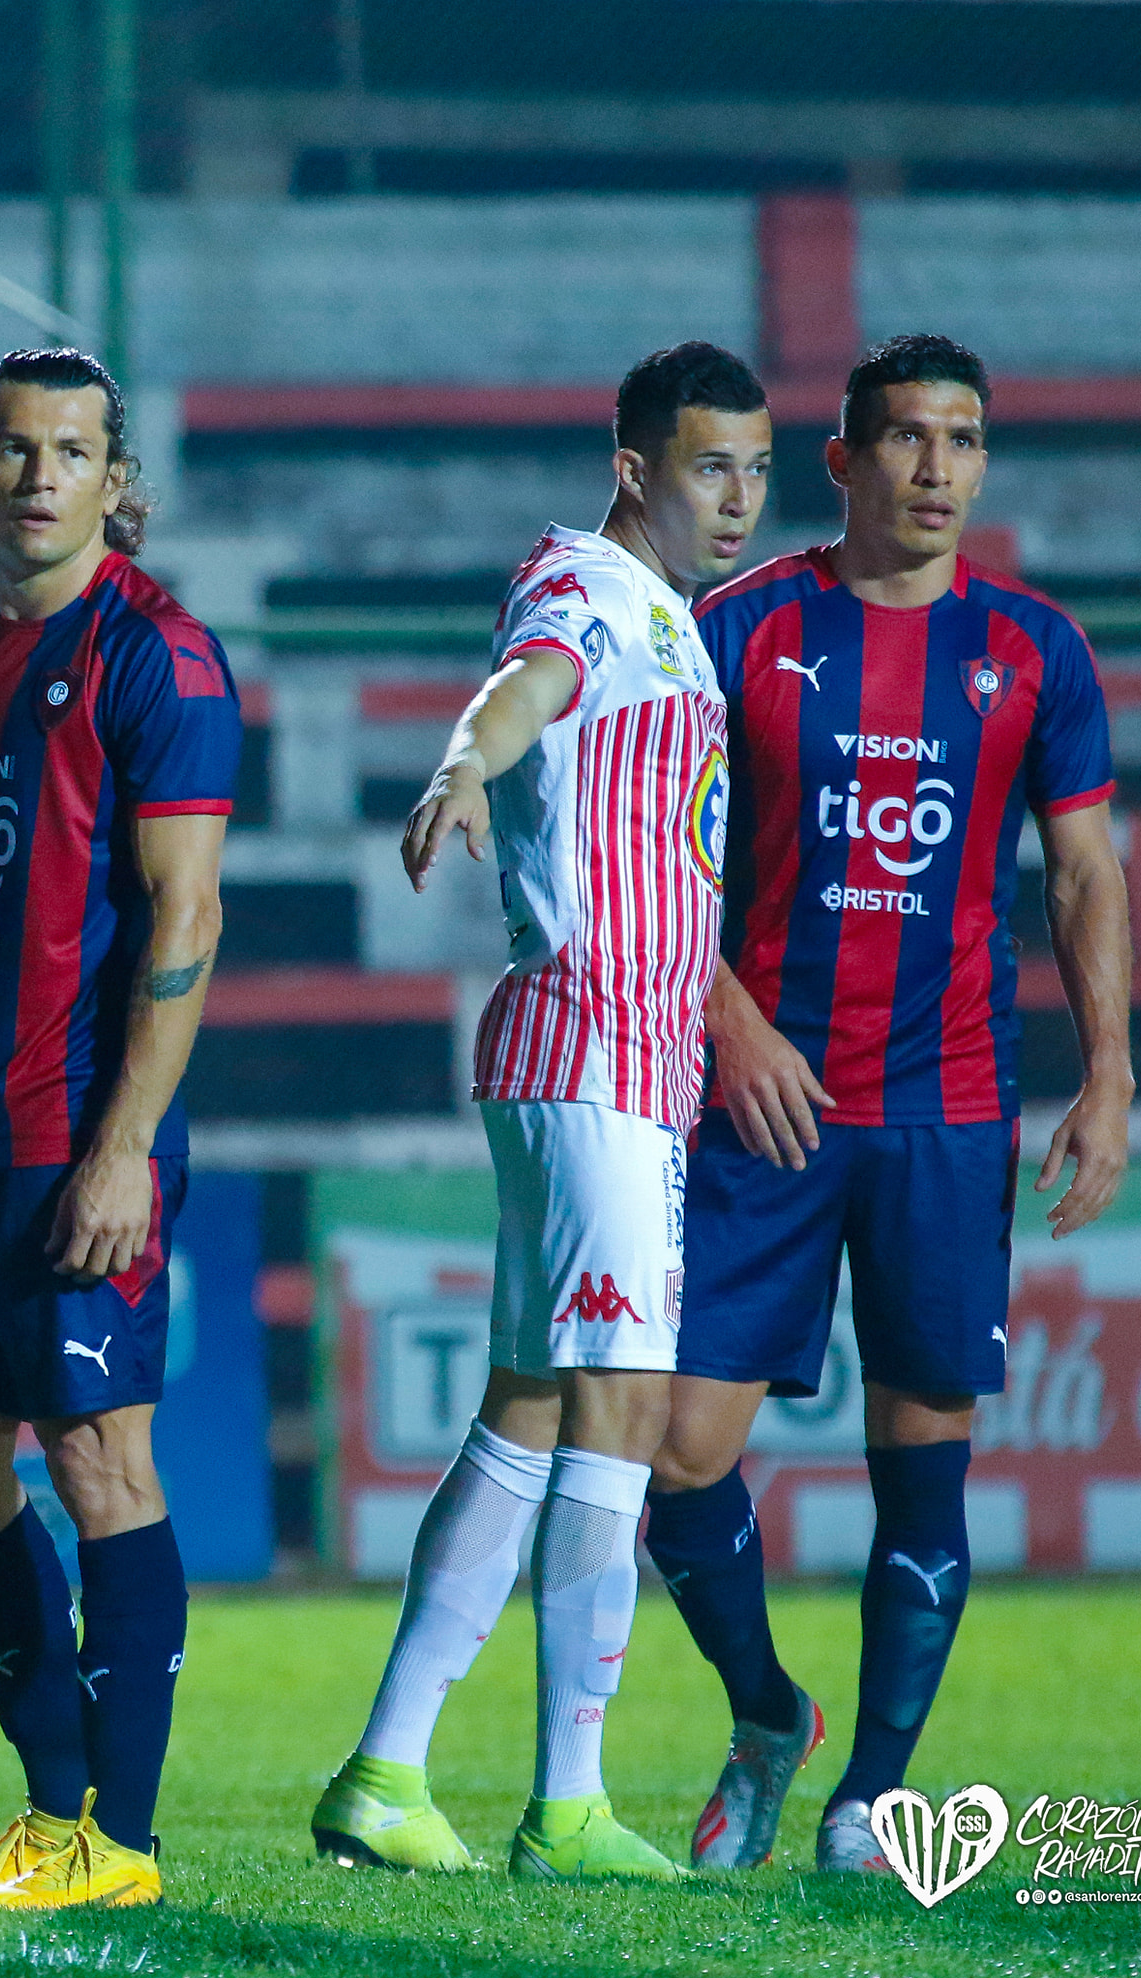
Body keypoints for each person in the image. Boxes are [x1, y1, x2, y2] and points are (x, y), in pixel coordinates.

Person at [650, 334, 1129, 1874]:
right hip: (765, 1105)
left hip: (945, 1111)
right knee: (674, 1449)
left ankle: (870, 1797)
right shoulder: (741, 628)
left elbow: (1082, 871)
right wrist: (727, 1021)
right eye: (907, 439)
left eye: (964, 439)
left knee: (922, 1457)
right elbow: (655, 853)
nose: (937, 467)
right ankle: (764, 1711)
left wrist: (1111, 1075)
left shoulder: (1035, 650)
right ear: (842, 464)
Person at [310, 342, 774, 1881]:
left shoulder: (680, 628)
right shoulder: (589, 584)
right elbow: (530, 685)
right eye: (711, 466)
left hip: (614, 1056)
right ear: (635, 465)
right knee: (620, 1412)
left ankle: (384, 1774)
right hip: (592, 1046)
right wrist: (461, 758)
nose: (739, 498)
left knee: (526, 1409)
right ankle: (568, 1805)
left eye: (756, 470)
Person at [0, 347, 241, 1910]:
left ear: (111, 476)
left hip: (75, 1130)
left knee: (98, 1461)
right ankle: (56, 1810)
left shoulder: (160, 654)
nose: (37, 475)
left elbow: (185, 913)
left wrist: (125, 1145)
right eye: (12, 449)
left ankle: (120, 1846)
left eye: (70, 450)